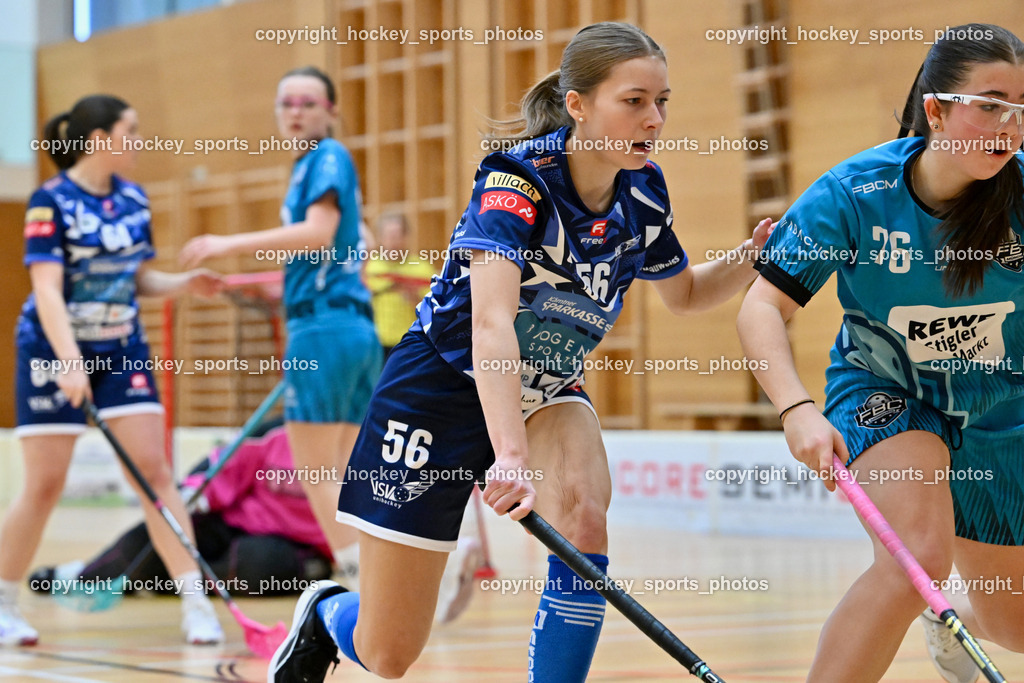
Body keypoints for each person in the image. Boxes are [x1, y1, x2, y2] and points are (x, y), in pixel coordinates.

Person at [269, 22, 772, 683]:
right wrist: (506, 454)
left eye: (663, 100)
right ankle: (327, 611)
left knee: (585, 513)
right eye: (635, 100)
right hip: (441, 389)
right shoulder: (516, 182)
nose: (655, 118)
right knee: (390, 653)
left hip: (548, 387)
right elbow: (491, 325)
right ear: (579, 105)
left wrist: (755, 254)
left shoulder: (644, 192)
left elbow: (682, 294)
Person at [736, 23, 1024, 683]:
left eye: (1020, 108)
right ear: (936, 109)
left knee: (1013, 626)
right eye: (990, 103)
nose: (1008, 124)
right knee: (914, 558)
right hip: (889, 389)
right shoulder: (854, 194)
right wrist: (796, 409)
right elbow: (762, 307)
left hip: (1004, 404)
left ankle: (952, 621)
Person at [1, 94, 226, 647]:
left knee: (154, 473)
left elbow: (137, 278)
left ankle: (196, 603)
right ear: (100, 138)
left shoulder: (133, 199)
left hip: (121, 347)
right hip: (51, 349)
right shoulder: (48, 202)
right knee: (45, 484)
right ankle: (4, 601)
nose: (139, 140)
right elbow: (47, 292)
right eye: (131, 130)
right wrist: (69, 361)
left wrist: (181, 284)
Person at [180, 66, 382, 584]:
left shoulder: (326, 158)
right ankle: (384, 575)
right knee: (341, 473)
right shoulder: (317, 166)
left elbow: (318, 234)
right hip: (353, 332)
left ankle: (362, 583)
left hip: (323, 333)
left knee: (317, 472)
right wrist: (276, 286)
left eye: (308, 103)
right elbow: (347, 249)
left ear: (331, 111)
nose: (296, 111)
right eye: (287, 102)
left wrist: (226, 245)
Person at [28, 419, 333, 599]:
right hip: (234, 522)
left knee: (257, 563)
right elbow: (226, 467)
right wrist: (195, 494)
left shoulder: (354, 444)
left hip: (298, 550)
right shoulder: (275, 432)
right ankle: (84, 576)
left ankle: (164, 581)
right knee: (154, 536)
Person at [364, 214, 435, 357]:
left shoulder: (422, 269)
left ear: (406, 236)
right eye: (389, 235)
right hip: (375, 341)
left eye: (397, 235)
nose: (393, 241)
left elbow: (434, 310)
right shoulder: (368, 268)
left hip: (410, 341)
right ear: (380, 237)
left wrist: (414, 297)